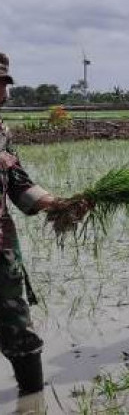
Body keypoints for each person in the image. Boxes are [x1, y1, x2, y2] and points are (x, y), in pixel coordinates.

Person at [0, 53, 68, 396]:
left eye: (4, 85)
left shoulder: (2, 131)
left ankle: (33, 401)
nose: (4, 94)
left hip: (1, 246)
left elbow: (18, 183)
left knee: (18, 327)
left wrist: (57, 204)